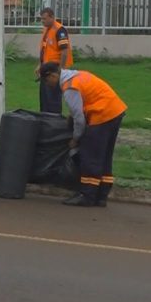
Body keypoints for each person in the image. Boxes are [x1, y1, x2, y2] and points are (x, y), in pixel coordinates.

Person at [39, 62, 127, 207]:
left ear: (53, 75)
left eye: (46, 80)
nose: (47, 84)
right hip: (114, 111)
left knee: (89, 155)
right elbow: (84, 101)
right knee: (104, 156)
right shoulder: (78, 75)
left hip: (102, 115)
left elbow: (80, 119)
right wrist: (72, 115)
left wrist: (76, 138)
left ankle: (87, 195)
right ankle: (101, 196)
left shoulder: (69, 87)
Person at [34, 8, 73, 113]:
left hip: (54, 69)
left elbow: (64, 51)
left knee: (53, 99)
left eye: (45, 19)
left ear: (52, 17)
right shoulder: (46, 30)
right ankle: (45, 121)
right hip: (46, 67)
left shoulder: (60, 30)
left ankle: (54, 122)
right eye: (41, 19)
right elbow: (45, 49)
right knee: (44, 99)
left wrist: (60, 70)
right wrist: (40, 64)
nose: (43, 21)